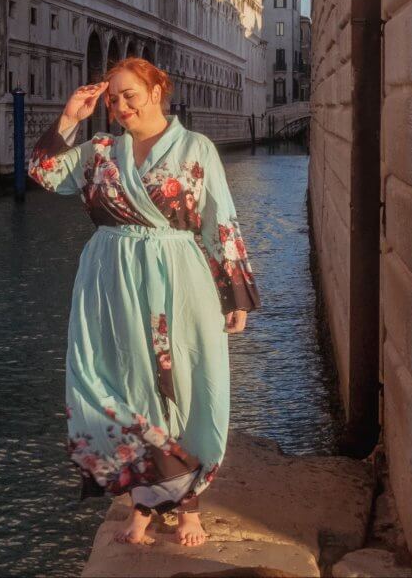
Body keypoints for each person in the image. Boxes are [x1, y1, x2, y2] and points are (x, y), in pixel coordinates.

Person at [27, 57, 261, 547]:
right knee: (121, 384)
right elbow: (44, 174)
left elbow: (221, 218)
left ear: (157, 91)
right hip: (110, 277)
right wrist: (71, 116)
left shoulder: (196, 148)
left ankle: (189, 509)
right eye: (112, 98)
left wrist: (233, 293)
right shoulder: (99, 149)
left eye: (129, 94)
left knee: (183, 384)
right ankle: (142, 503)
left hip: (178, 274)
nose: (119, 105)